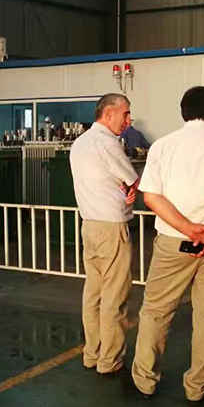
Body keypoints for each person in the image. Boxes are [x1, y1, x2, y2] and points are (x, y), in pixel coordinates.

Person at [131, 86, 204, 403]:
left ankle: (145, 381)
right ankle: (198, 388)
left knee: (156, 311)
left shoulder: (163, 146)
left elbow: (151, 197)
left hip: (173, 243)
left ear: (183, 112)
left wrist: (188, 229)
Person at [70, 93, 139, 375]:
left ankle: (92, 353)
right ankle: (110, 360)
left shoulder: (80, 142)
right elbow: (133, 179)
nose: (129, 120)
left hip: (89, 225)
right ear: (108, 114)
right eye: (126, 114)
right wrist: (131, 187)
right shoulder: (108, 143)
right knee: (114, 296)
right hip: (112, 227)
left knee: (94, 294)